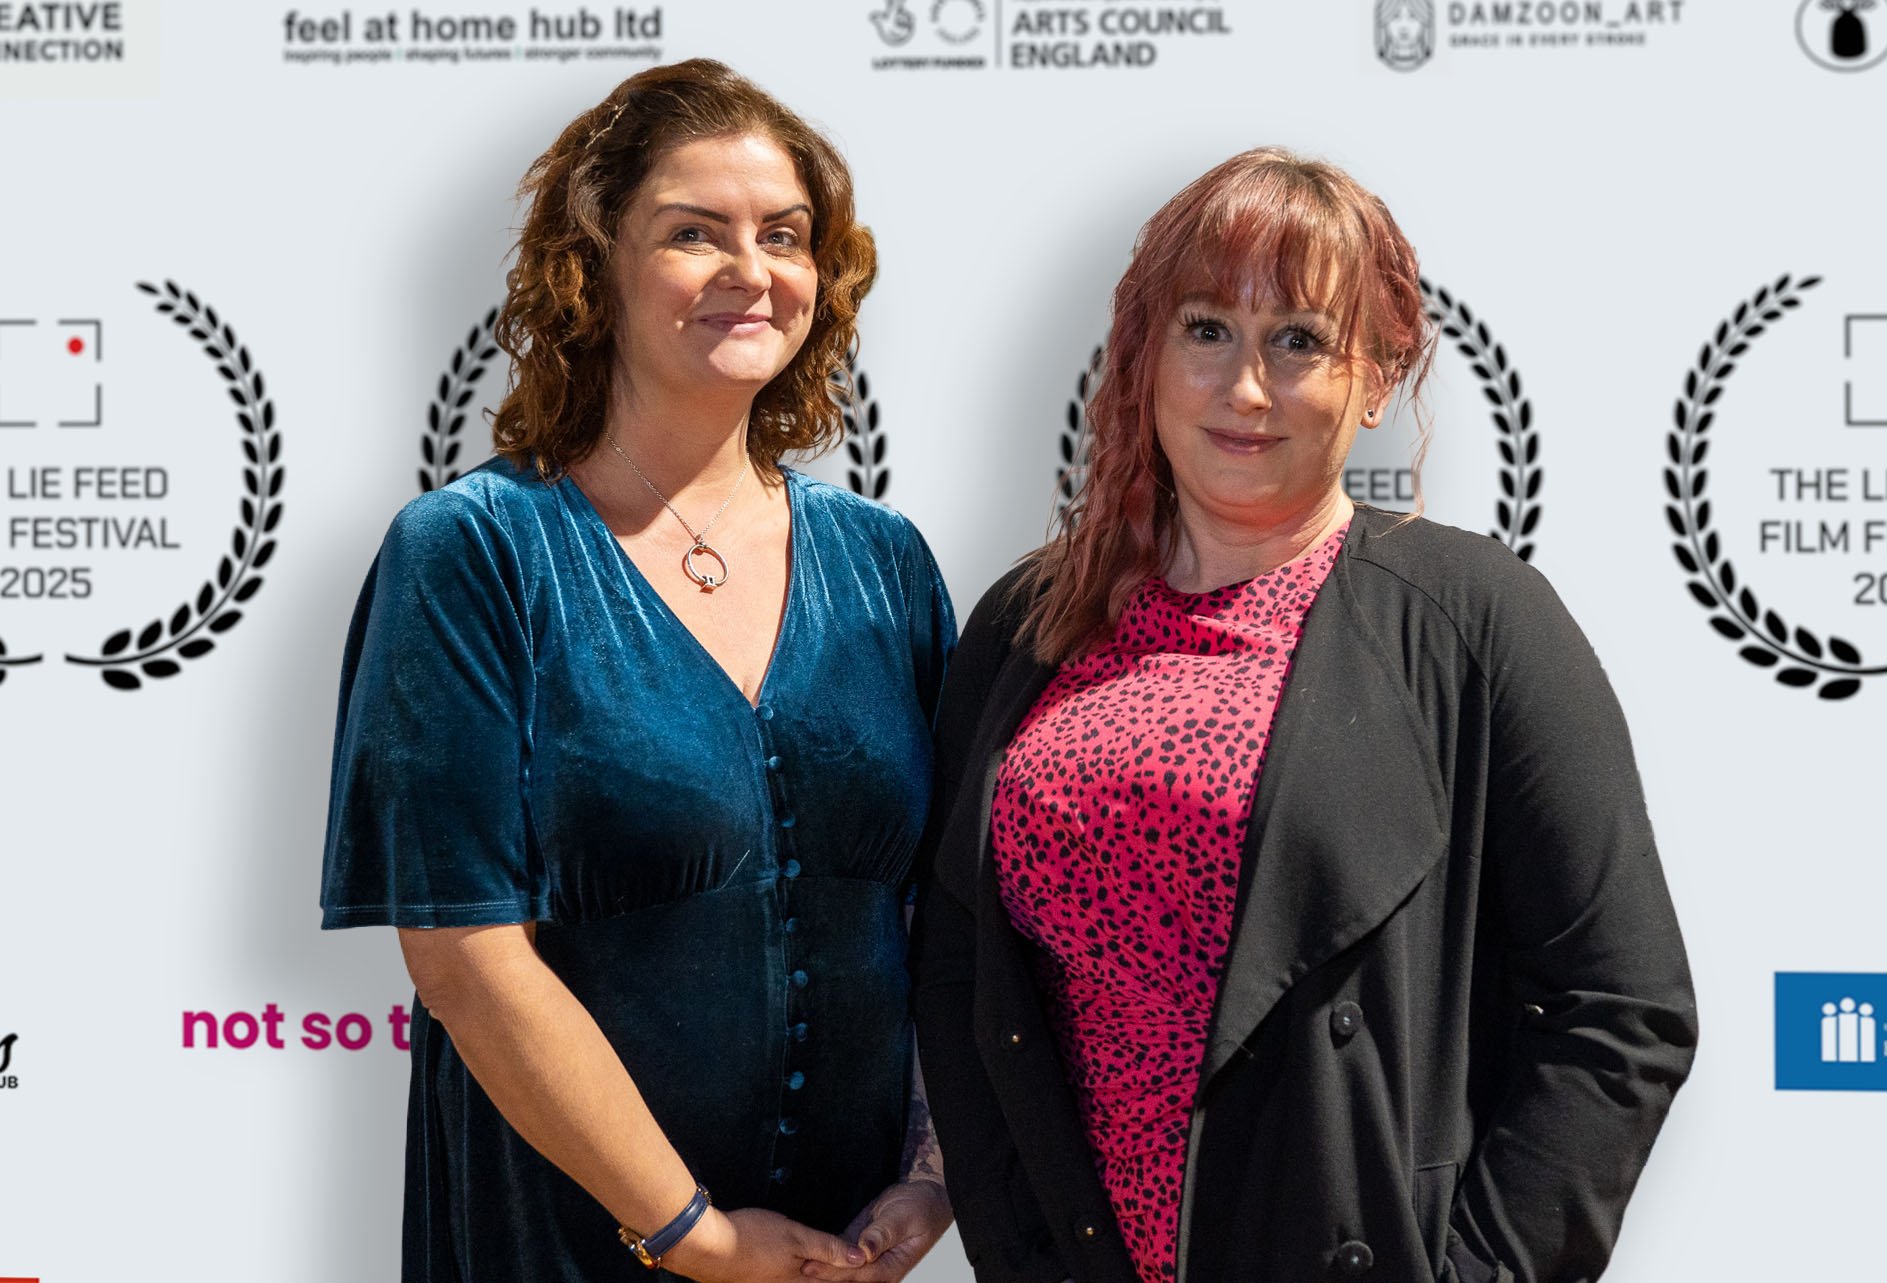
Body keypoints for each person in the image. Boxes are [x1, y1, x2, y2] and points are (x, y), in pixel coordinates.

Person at [910, 148, 1697, 1283]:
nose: (1244, 386)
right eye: (1205, 329)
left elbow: (1621, 1004)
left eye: (1298, 340)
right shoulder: (1027, 620)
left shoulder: (1476, 619)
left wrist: (1483, 1271)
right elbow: (957, 959)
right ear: (1142, 352)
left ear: (1376, 377)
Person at [321, 59, 954, 1283]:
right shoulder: (472, 554)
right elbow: (463, 955)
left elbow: (939, 916)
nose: (750, 269)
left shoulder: (888, 563)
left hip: (842, 1256)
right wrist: (688, 1232)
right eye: (692, 234)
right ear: (592, 264)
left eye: (783, 234)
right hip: (564, 1243)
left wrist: (933, 1170)